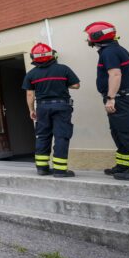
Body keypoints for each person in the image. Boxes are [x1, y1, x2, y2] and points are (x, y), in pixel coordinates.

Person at [84, 21, 129, 182]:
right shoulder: (116, 50)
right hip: (124, 96)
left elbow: (115, 75)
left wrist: (111, 98)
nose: (88, 40)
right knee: (118, 132)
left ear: (97, 37)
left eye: (89, 36)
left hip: (119, 99)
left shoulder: (109, 52)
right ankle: (124, 165)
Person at [22, 43, 80, 177]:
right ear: (51, 55)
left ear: (33, 57)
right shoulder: (63, 69)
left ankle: (42, 168)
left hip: (42, 108)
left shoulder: (31, 74)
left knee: (42, 136)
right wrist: (61, 83)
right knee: (61, 136)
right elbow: (76, 85)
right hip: (62, 106)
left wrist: (31, 110)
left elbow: (30, 94)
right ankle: (60, 170)